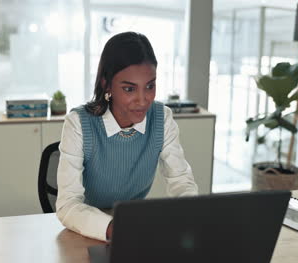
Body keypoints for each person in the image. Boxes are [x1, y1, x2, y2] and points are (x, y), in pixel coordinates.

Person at [56, 31, 198, 242]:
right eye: (129, 89)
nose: (143, 100)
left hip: (135, 228)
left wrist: (189, 215)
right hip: (87, 230)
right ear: (106, 84)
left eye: (150, 86)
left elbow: (181, 181)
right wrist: (118, 229)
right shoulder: (78, 124)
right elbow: (68, 205)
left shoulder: (162, 118)